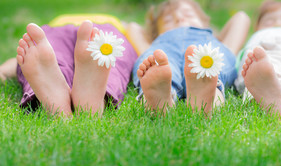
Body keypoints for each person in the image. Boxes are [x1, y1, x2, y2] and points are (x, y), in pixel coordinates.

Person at [0, 14, 141, 117]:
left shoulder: (132, 28)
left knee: (52, 57)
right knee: (112, 63)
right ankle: (90, 105)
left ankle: (60, 107)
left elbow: (20, 60)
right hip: (101, 31)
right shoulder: (128, 25)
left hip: (57, 33)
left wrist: (4, 70)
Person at [133, 0, 250, 115]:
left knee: (210, 66)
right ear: (155, 34)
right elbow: (134, 28)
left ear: (205, 23)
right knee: (156, 66)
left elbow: (241, 17)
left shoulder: (211, 38)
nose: (179, 18)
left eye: (188, 14)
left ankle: (208, 96)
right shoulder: (156, 44)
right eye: (168, 21)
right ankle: (158, 98)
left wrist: (223, 44)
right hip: (165, 50)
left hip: (203, 49)